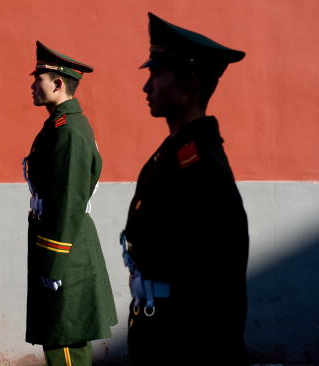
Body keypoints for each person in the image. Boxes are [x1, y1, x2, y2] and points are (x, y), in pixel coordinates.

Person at [120, 13, 249, 365]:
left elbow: (217, 290)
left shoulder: (201, 167)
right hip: (158, 334)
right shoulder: (174, 155)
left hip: (182, 346)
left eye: (156, 74)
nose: (147, 87)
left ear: (190, 82)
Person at [24, 41, 117, 366]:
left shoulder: (69, 131)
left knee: (64, 343)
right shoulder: (58, 126)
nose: (33, 85)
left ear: (58, 83)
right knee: (61, 342)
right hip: (62, 245)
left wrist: (52, 261)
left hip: (66, 250)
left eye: (39, 78)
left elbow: (67, 202)